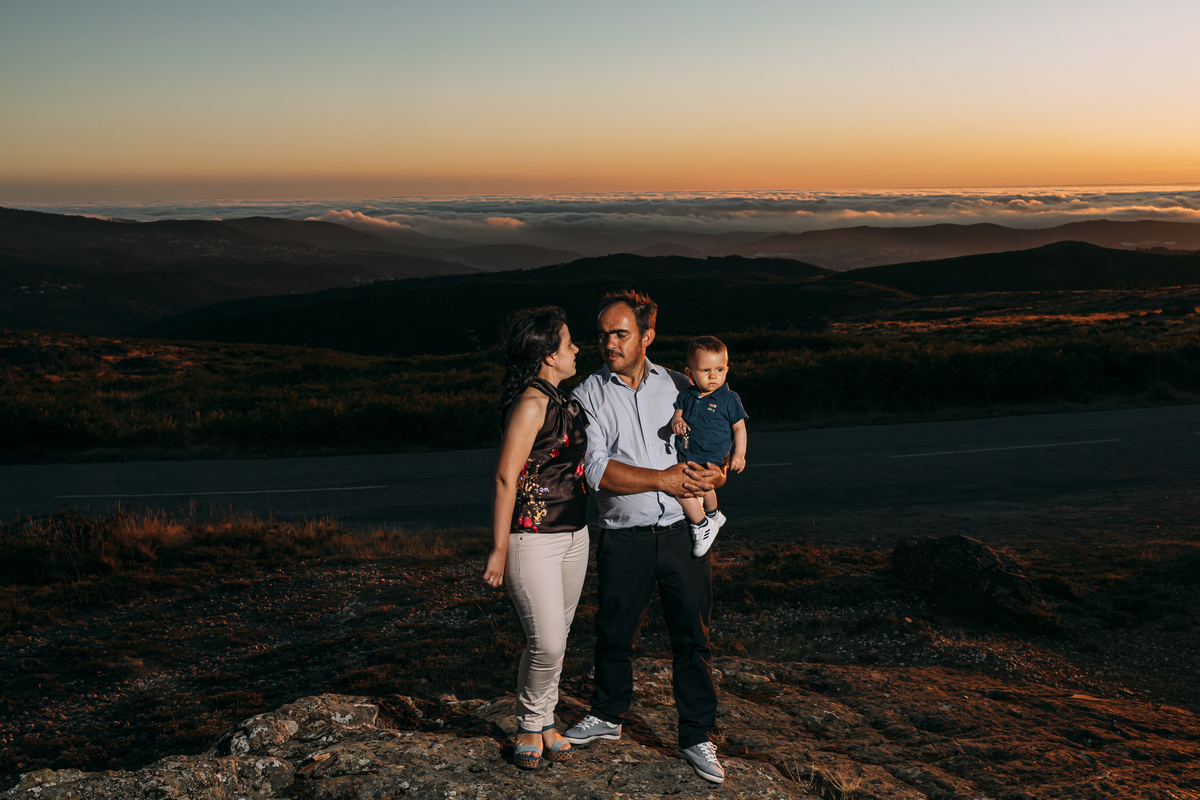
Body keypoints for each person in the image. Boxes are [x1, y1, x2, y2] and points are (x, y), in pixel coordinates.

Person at [563, 290, 729, 784]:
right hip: (625, 536)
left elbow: (710, 445)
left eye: (621, 333)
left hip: (683, 533)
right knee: (614, 634)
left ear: (647, 337)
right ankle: (608, 716)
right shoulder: (587, 394)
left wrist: (715, 476)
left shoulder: (680, 384)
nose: (609, 342)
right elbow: (594, 470)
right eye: (603, 335)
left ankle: (697, 734)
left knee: (692, 638)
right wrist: (663, 479)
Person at [483, 306, 589, 770]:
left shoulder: (564, 399)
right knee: (546, 642)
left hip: (575, 535)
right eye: (569, 343)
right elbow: (505, 478)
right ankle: (529, 722)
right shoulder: (532, 404)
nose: (576, 349)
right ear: (548, 355)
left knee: (557, 638)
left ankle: (546, 720)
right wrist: (500, 548)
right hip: (533, 539)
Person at [670, 335, 748, 557]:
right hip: (689, 452)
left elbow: (739, 429)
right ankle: (713, 514)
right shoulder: (688, 395)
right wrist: (678, 423)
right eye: (705, 371)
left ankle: (702, 523)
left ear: (726, 369)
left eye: (720, 370)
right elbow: (677, 416)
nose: (714, 376)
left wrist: (739, 454)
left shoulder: (729, 399)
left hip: (713, 457)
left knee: (683, 489)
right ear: (690, 373)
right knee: (705, 489)